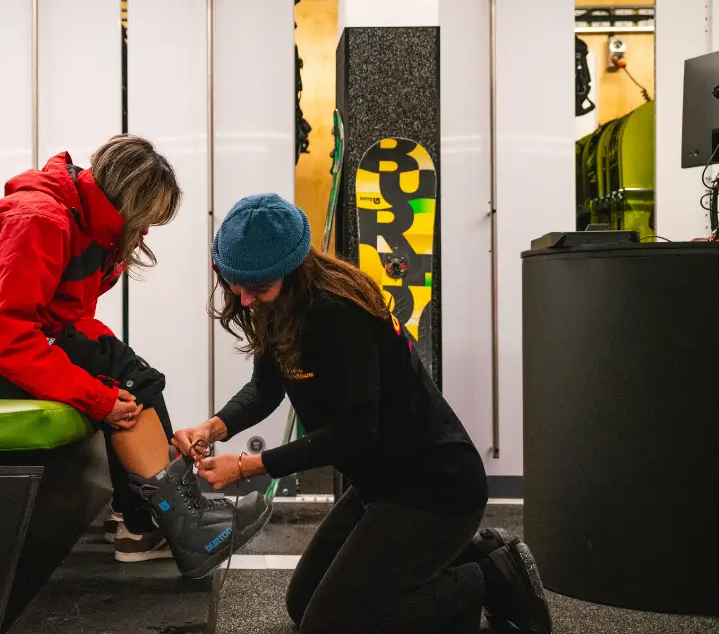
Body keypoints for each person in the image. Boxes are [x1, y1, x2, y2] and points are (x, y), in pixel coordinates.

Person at [0, 134, 271, 579]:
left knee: (129, 371)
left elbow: (67, 323)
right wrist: (96, 397)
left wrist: (124, 379)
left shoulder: (85, 228)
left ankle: (148, 522)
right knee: (117, 382)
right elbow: (7, 335)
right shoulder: (37, 220)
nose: (146, 231)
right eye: (146, 219)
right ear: (127, 203)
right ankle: (169, 524)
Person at [172, 193, 553, 633]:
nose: (246, 298)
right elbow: (265, 387)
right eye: (236, 284)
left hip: (433, 489)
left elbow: (354, 434)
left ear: (292, 272)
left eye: (258, 288)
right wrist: (214, 426)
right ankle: (460, 560)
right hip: (380, 484)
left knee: (329, 626)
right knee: (303, 604)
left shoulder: (337, 314)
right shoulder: (281, 305)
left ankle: (487, 576)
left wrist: (250, 466)